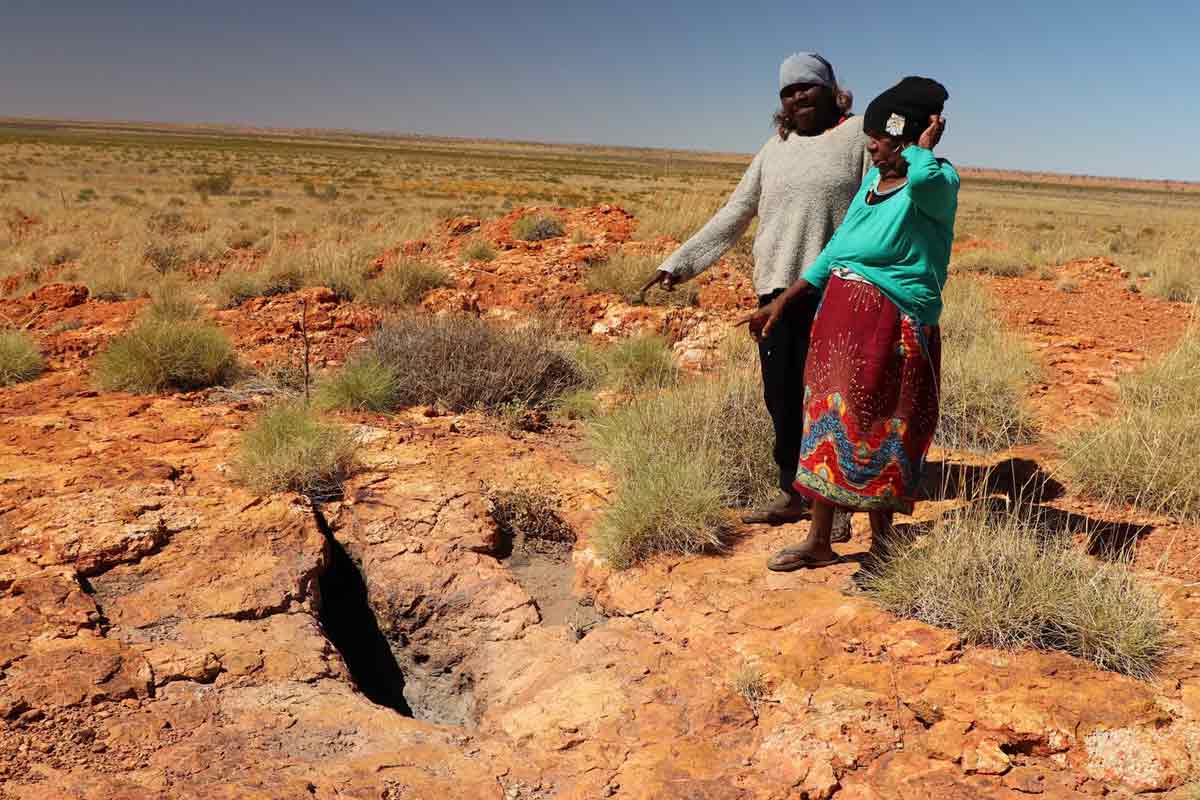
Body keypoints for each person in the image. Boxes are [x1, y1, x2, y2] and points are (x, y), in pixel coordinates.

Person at [642, 52, 869, 530]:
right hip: (775, 290)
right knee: (781, 395)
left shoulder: (856, 138)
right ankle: (794, 492)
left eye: (807, 87)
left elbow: (878, 203)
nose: (798, 97)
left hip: (835, 289)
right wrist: (679, 264)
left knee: (830, 399)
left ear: (831, 90)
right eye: (788, 91)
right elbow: (735, 212)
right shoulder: (775, 147)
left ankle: (835, 504)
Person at [739, 76, 959, 571]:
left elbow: (922, 179)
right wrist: (786, 300)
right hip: (841, 323)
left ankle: (883, 546)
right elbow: (838, 249)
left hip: (894, 325)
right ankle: (819, 539)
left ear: (907, 136)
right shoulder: (872, 185)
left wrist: (923, 147)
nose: (873, 150)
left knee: (881, 427)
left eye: (880, 141)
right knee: (828, 422)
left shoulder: (938, 182)